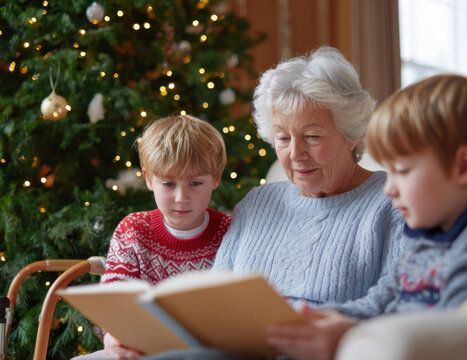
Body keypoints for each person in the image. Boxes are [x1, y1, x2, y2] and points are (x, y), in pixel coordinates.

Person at [114, 46, 404, 360]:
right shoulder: (258, 203)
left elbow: (405, 297)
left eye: (312, 137)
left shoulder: (392, 202)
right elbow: (214, 299)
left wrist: (337, 326)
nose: (295, 154)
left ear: (351, 135)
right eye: (283, 138)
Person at [265, 74, 467, 360]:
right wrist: (319, 321)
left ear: (464, 166)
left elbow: (450, 333)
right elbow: (375, 304)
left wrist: (349, 335)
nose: (389, 188)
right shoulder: (427, 241)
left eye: (403, 171)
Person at [78, 115, 232, 359]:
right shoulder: (133, 229)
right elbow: (113, 300)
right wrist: (112, 338)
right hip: (141, 350)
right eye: (169, 184)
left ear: (216, 178)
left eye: (195, 183)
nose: (182, 197)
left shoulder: (230, 231)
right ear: (149, 178)